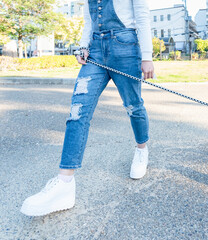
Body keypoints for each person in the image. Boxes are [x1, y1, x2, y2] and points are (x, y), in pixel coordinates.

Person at [20, 0, 154, 216]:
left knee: (134, 106)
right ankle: (64, 184)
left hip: (126, 47)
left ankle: (141, 150)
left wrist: (147, 56)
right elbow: (88, 20)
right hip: (95, 51)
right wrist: (83, 46)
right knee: (77, 112)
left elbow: (142, 15)